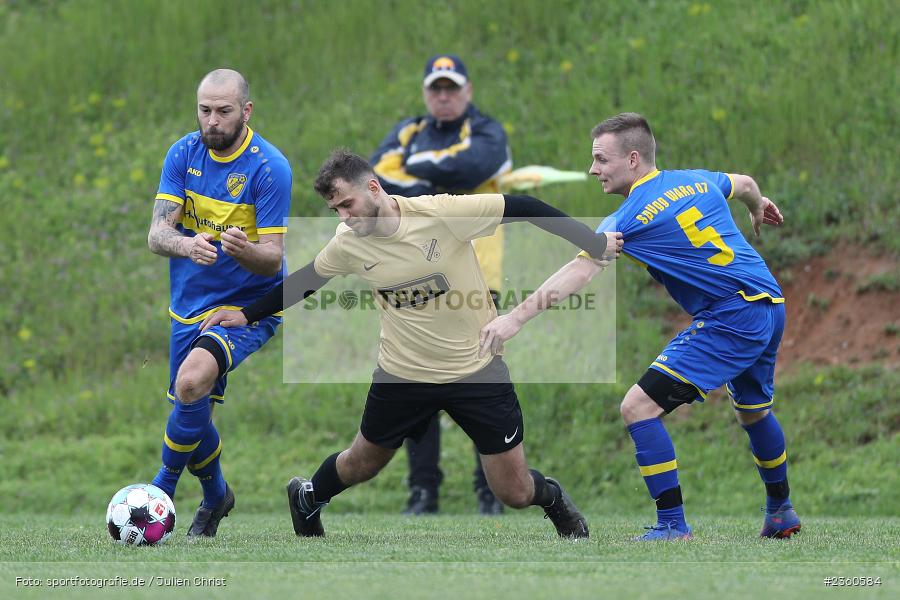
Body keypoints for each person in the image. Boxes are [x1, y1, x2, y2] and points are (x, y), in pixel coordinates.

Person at [201, 149, 623, 539]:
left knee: (513, 492)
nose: (344, 217)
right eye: (335, 210)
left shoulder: (441, 213)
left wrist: (594, 242)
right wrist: (246, 314)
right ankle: (308, 497)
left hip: (476, 368)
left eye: (347, 204)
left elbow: (527, 207)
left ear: (373, 188)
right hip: (402, 373)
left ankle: (552, 499)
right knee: (362, 463)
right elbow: (309, 280)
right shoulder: (349, 243)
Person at [479, 112, 800, 541]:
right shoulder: (698, 180)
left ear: (633, 159)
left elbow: (578, 273)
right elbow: (742, 182)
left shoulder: (626, 218)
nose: (593, 169)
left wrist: (514, 318)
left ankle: (672, 526)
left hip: (732, 315)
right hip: (771, 301)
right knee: (754, 411)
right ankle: (780, 512)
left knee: (637, 407)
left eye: (600, 159)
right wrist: (758, 206)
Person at [146, 68, 292, 538]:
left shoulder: (269, 168)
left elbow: (273, 262)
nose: (212, 120)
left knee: (191, 383)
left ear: (246, 111)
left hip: (249, 305)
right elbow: (157, 234)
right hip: (188, 303)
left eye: (223, 111)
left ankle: (159, 494)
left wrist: (241, 249)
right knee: (191, 402)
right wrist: (189, 246)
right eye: (205, 110)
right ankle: (216, 496)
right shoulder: (182, 153)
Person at [370, 54, 512, 515]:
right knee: (416, 382)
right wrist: (431, 179)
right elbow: (377, 183)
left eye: (452, 88)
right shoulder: (407, 132)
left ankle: (490, 491)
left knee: (482, 384)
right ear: (426, 93)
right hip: (416, 275)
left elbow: (472, 167)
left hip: (477, 279)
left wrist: (419, 173)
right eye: (437, 88)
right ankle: (422, 490)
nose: (445, 96)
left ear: (468, 91)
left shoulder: (488, 130)